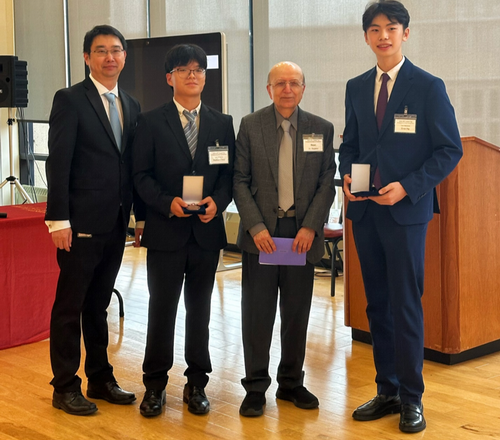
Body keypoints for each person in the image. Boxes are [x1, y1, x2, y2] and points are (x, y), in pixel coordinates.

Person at [339, 0, 463, 433]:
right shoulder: (356, 86)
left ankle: (413, 398)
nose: (384, 36)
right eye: (375, 29)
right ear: (367, 37)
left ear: (405, 33)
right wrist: (345, 177)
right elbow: (350, 145)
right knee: (377, 306)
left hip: (406, 215)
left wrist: (408, 186)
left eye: (392, 28)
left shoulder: (428, 86)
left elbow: (450, 150)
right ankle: (387, 389)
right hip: (366, 215)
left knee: (406, 305)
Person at [45, 24, 144, 415]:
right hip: (79, 224)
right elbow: (59, 162)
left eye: (116, 50)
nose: (109, 57)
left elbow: (130, 166)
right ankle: (65, 385)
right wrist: (58, 220)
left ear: (124, 56)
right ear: (87, 57)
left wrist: (136, 217)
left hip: (116, 222)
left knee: (98, 305)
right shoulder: (70, 99)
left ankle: (100, 378)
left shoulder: (131, 104)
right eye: (100, 50)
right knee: (70, 306)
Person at [133, 44, 235, 418]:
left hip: (206, 233)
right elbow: (139, 176)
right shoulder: (149, 121)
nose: (193, 75)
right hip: (166, 230)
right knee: (162, 310)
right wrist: (166, 203)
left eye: (199, 70)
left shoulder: (222, 122)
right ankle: (155, 385)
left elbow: (228, 177)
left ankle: (197, 384)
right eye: (184, 69)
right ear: (169, 78)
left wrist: (217, 203)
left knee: (200, 311)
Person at [233, 61, 336, 417]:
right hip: (262, 234)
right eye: (280, 83)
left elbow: (327, 183)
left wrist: (310, 226)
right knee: (257, 314)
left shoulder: (321, 129)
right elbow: (239, 181)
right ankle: (255, 387)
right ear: (269, 89)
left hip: (300, 236)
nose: (287, 89)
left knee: (296, 312)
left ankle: (291, 382)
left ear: (303, 89)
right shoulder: (250, 126)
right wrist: (256, 227)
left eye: (294, 83)